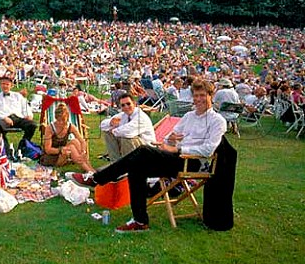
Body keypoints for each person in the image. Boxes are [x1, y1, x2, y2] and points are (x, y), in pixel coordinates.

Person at [70, 79, 227, 233]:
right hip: (175, 159)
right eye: (196, 95)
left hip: (193, 163)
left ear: (210, 96)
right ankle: (140, 221)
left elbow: (208, 150)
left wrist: (179, 149)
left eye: (202, 95)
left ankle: (97, 179)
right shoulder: (188, 117)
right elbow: (167, 139)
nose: (198, 99)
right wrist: (171, 139)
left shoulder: (217, 121)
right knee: (136, 168)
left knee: (144, 150)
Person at [100, 93, 156, 163]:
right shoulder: (124, 115)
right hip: (137, 147)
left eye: (128, 104)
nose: (126, 107)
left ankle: (129, 166)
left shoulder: (140, 116)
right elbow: (102, 125)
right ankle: (116, 163)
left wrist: (114, 130)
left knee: (126, 138)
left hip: (148, 150)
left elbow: (128, 132)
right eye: (123, 105)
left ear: (134, 104)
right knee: (107, 132)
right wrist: (110, 122)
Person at [0, 75, 37, 154]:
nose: (5, 86)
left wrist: (29, 115)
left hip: (17, 119)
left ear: (11, 85)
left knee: (32, 125)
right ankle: (6, 151)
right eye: (3, 84)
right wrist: (4, 118)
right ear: (0, 85)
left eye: (7, 84)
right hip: (3, 119)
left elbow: (26, 108)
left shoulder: (18, 96)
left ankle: (22, 147)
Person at [40, 102, 94, 172]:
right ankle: (89, 171)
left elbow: (82, 141)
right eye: (58, 120)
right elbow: (48, 150)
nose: (61, 122)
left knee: (75, 141)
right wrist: (60, 150)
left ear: (67, 118)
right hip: (51, 157)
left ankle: (90, 169)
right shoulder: (50, 128)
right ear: (55, 118)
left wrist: (83, 152)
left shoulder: (70, 126)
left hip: (63, 154)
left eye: (63, 120)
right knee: (71, 147)